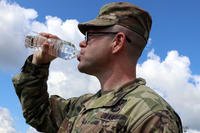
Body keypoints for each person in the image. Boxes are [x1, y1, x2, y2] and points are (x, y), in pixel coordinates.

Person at [12, 2, 182, 133]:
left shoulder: (150, 115)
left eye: (90, 35)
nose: (82, 43)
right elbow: (37, 114)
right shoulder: (84, 105)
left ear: (117, 42)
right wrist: (39, 64)